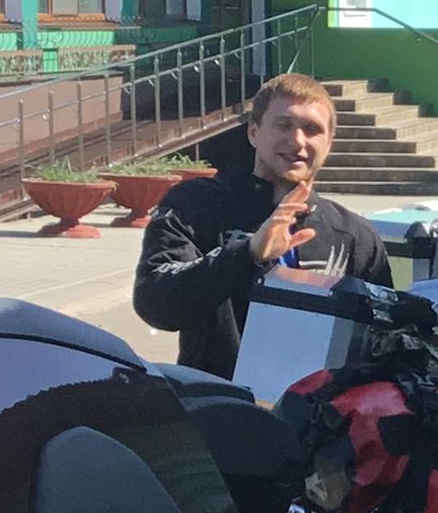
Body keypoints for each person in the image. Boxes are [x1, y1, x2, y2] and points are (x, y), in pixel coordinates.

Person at [131, 71, 386, 379]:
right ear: (253, 133)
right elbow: (155, 303)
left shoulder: (354, 236)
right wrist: (247, 253)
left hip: (317, 406)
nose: (297, 140)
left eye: (312, 129)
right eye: (284, 125)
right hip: (220, 401)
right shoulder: (196, 204)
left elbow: (382, 341)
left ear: (329, 144)